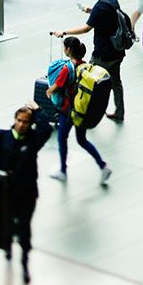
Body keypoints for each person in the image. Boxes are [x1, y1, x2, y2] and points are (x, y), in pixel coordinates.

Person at [0, 98, 53, 284]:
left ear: (30, 123)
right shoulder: (3, 138)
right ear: (14, 120)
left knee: (24, 228)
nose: (21, 124)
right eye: (19, 120)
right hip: (7, 193)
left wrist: (38, 110)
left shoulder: (33, 140)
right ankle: (8, 248)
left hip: (27, 193)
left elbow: (47, 130)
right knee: (8, 224)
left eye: (26, 122)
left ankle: (24, 261)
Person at [53, 0, 128, 122]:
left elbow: (86, 28)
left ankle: (81, 111)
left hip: (103, 54)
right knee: (116, 83)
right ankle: (119, 112)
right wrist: (91, 11)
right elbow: (107, 14)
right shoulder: (112, 0)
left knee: (85, 79)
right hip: (117, 51)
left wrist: (64, 32)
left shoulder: (100, 7)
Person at [46, 36, 113, 186]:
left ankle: (63, 171)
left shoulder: (67, 68)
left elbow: (56, 86)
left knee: (62, 139)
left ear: (68, 50)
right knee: (82, 140)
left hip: (68, 110)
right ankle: (103, 166)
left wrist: (49, 91)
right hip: (81, 109)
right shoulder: (84, 66)